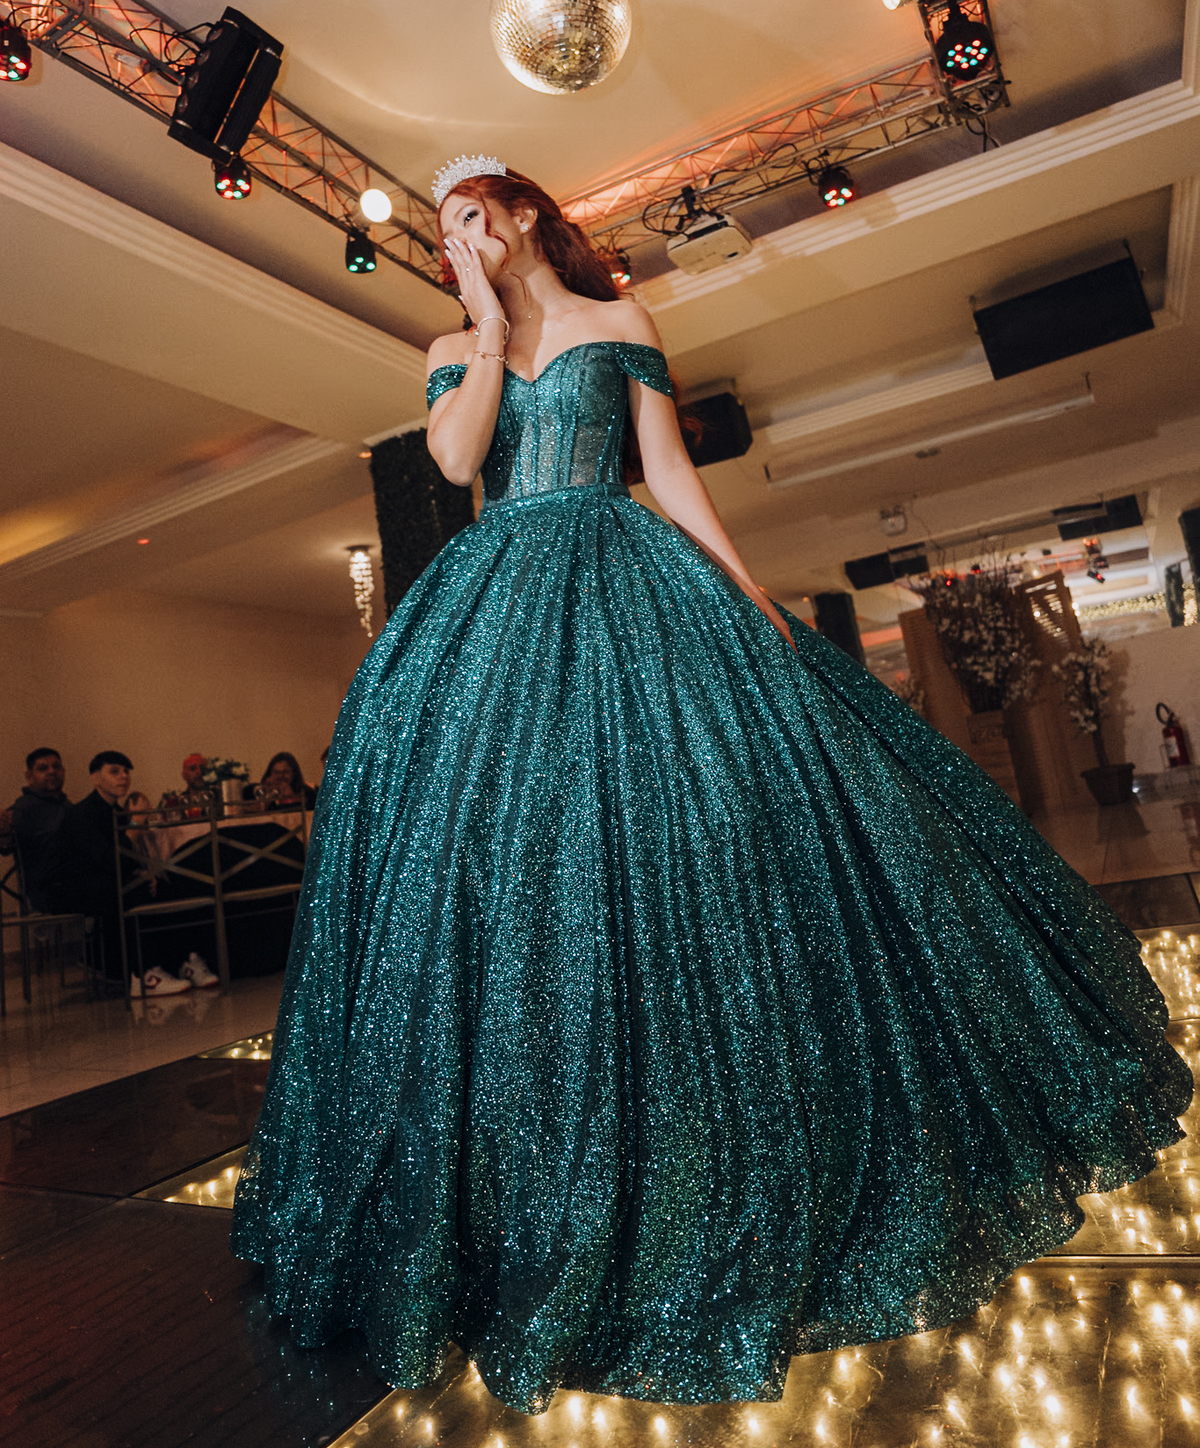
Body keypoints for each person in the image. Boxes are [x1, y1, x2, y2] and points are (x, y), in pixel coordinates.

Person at [232, 160, 1191, 1416]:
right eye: (444, 227)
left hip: (623, 570)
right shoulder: (451, 345)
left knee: (684, 820)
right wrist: (481, 327)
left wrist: (748, 595)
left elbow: (669, 471)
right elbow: (458, 462)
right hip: (498, 598)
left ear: (524, 214)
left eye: (472, 215)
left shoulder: (620, 322)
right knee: (500, 855)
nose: (457, 235)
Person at [56, 752, 218, 997]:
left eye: (126, 771)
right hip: (76, 885)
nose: (123, 776)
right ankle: (143, 974)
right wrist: (135, 825)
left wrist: (142, 872)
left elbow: (124, 860)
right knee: (134, 890)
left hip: (108, 877)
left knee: (170, 885)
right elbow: (108, 859)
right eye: (114, 771)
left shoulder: (117, 811)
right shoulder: (82, 814)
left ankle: (183, 961)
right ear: (95, 778)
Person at [4, 747, 70, 912]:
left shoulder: (67, 805)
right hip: (49, 890)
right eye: (43, 768)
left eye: (56, 767)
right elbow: (5, 843)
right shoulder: (24, 808)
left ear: (63, 771)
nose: (51, 771)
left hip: (77, 882)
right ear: (29, 776)